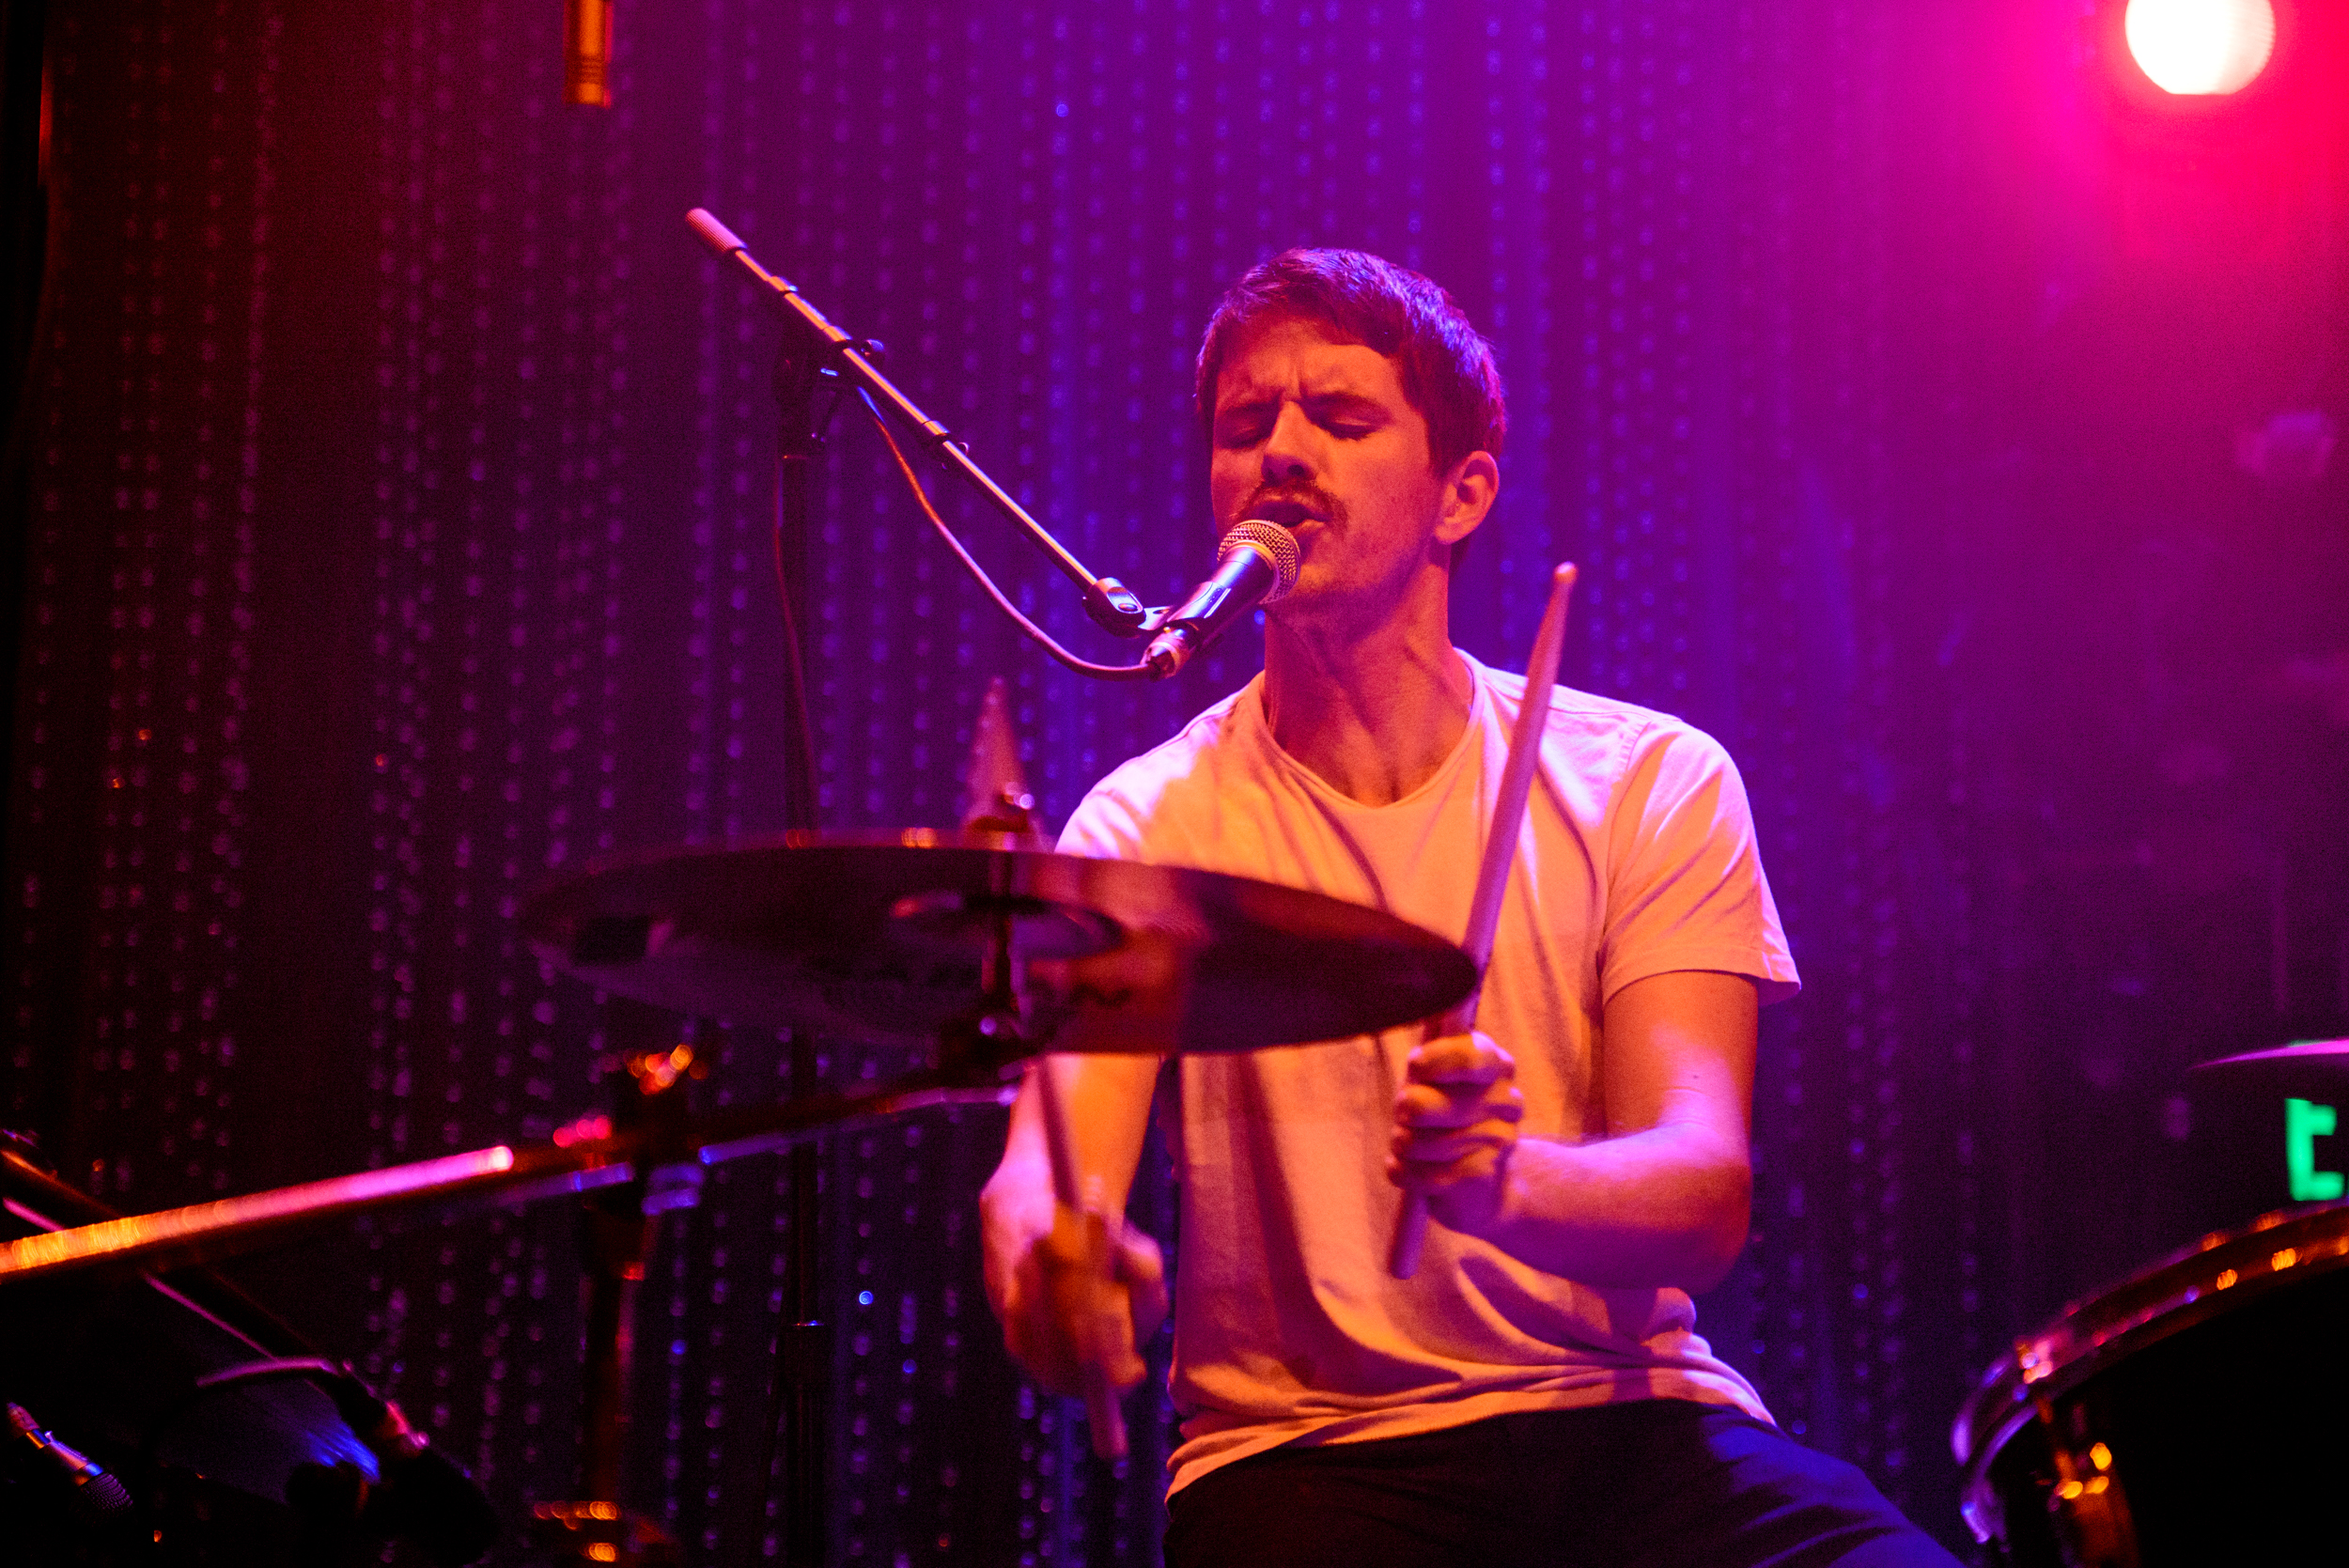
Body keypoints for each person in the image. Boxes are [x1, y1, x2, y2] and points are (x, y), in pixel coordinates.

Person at [979, 249, 1959, 1566]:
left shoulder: (1646, 779)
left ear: (1463, 493)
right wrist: (1049, 1263)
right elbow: (1046, 1173)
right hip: (1307, 1451)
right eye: (1243, 425)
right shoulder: (1150, 823)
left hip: (1635, 1420)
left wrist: (1509, 1183)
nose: (1278, 452)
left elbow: (1704, 1189)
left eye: (1339, 417)